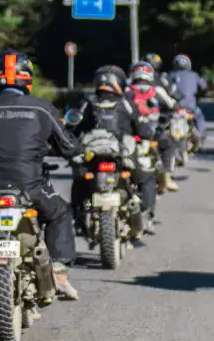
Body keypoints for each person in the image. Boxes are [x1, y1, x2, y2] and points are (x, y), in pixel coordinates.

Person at [0, 49, 80, 301]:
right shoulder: (42, 109)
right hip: (31, 188)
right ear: (27, 78)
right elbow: (69, 147)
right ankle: (59, 273)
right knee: (60, 212)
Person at [68, 64, 151, 228]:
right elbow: (142, 129)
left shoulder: (87, 103)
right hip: (121, 153)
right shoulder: (126, 103)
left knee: (79, 180)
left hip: (92, 154)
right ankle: (146, 214)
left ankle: (77, 216)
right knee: (146, 178)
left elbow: (74, 127)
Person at [127, 60, 178, 191]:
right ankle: (167, 177)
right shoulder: (156, 90)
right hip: (152, 131)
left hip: (132, 132)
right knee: (168, 145)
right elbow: (172, 104)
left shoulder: (127, 91)